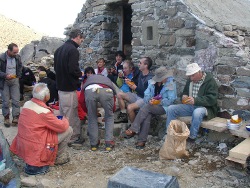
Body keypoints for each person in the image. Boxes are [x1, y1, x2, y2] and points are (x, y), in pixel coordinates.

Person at [10, 83, 73, 175]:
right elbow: (62, 126)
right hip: (37, 145)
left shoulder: (27, 104)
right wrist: (65, 120)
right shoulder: (44, 112)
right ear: (46, 97)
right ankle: (56, 157)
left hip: (25, 143)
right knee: (69, 129)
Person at [123, 67, 177, 149]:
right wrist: (150, 100)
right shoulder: (152, 82)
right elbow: (146, 94)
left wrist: (159, 101)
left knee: (147, 107)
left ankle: (133, 128)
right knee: (147, 113)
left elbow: (171, 100)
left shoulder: (171, 84)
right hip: (150, 105)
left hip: (164, 107)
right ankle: (141, 141)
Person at [165, 63, 218, 142]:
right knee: (171, 108)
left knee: (197, 112)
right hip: (191, 106)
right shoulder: (190, 80)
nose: (191, 78)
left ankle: (192, 136)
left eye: (193, 76)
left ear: (199, 72)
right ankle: (170, 133)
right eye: (190, 76)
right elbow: (185, 92)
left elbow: (212, 99)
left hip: (205, 107)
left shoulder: (210, 81)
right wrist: (184, 96)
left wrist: (196, 100)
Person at [54, 29, 84, 146]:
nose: (81, 41)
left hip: (60, 87)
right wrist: (80, 74)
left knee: (62, 112)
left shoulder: (59, 50)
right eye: (81, 39)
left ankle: (62, 134)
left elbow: (56, 68)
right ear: (77, 36)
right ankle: (73, 137)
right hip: (69, 87)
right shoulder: (73, 50)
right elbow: (73, 69)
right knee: (71, 114)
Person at [81, 74, 116, 152]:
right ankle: (108, 144)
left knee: (92, 117)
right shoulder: (107, 80)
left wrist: (88, 112)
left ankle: (94, 144)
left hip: (89, 91)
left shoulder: (87, 81)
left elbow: (81, 100)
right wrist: (110, 111)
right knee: (109, 116)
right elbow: (113, 98)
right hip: (106, 90)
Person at [115, 57, 154, 124]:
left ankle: (134, 128)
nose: (138, 64)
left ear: (146, 65)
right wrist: (131, 82)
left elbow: (148, 94)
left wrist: (135, 87)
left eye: (140, 63)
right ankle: (123, 115)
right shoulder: (140, 74)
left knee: (130, 107)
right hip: (137, 96)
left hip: (144, 99)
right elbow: (138, 85)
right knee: (119, 94)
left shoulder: (150, 78)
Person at [0, 43, 22, 127]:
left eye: (17, 52)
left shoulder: (17, 57)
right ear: (9, 51)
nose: (16, 54)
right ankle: (6, 118)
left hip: (14, 80)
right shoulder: (1, 58)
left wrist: (18, 76)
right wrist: (5, 75)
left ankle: (16, 117)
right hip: (4, 81)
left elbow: (20, 66)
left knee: (16, 100)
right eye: (14, 52)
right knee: (5, 101)